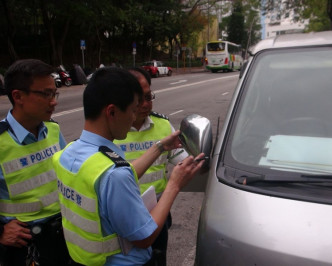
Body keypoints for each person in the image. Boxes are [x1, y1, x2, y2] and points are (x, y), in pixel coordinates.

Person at [52, 67, 205, 265]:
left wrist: (159, 147)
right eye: (132, 110)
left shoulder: (70, 153)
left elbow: (115, 179)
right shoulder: (114, 173)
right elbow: (145, 237)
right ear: (112, 111)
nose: (134, 117)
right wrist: (174, 184)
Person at [0, 59, 74, 266]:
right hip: (22, 245)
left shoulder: (53, 130)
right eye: (45, 94)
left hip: (61, 235)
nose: (54, 101)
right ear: (18, 96)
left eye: (54, 93)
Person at [114, 67, 188, 265]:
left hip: (156, 212)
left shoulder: (162, 125)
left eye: (149, 96)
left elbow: (181, 158)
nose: (146, 104)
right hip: (121, 217)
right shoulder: (110, 130)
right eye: (139, 99)